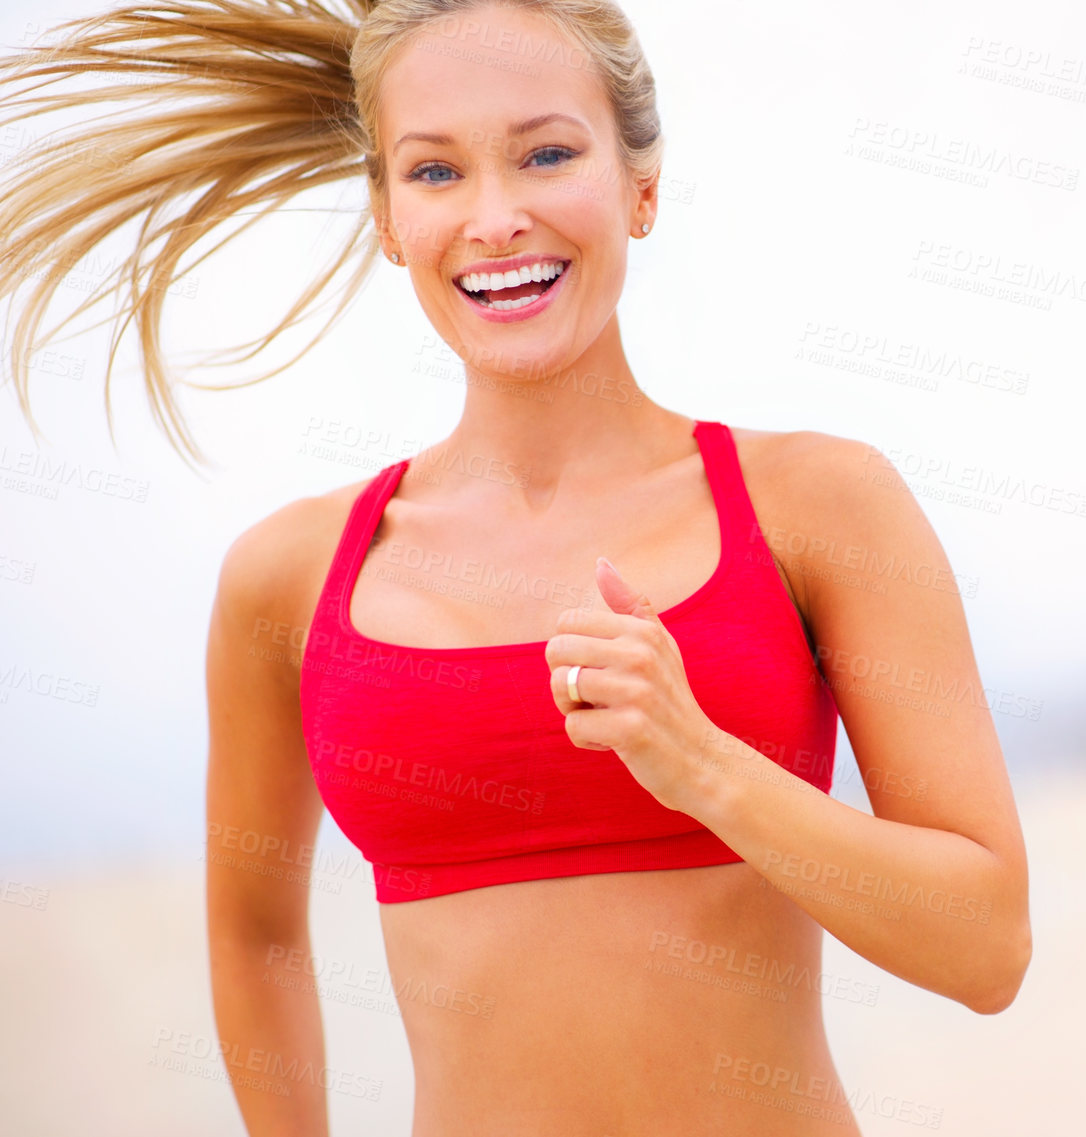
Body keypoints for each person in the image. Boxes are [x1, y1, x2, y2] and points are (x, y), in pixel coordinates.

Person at [0, 1, 1030, 1133]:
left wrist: (701, 766)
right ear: (388, 219)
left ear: (639, 185)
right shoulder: (287, 576)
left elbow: (984, 950)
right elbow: (255, 932)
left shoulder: (820, 505)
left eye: (546, 153)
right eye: (434, 173)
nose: (495, 218)